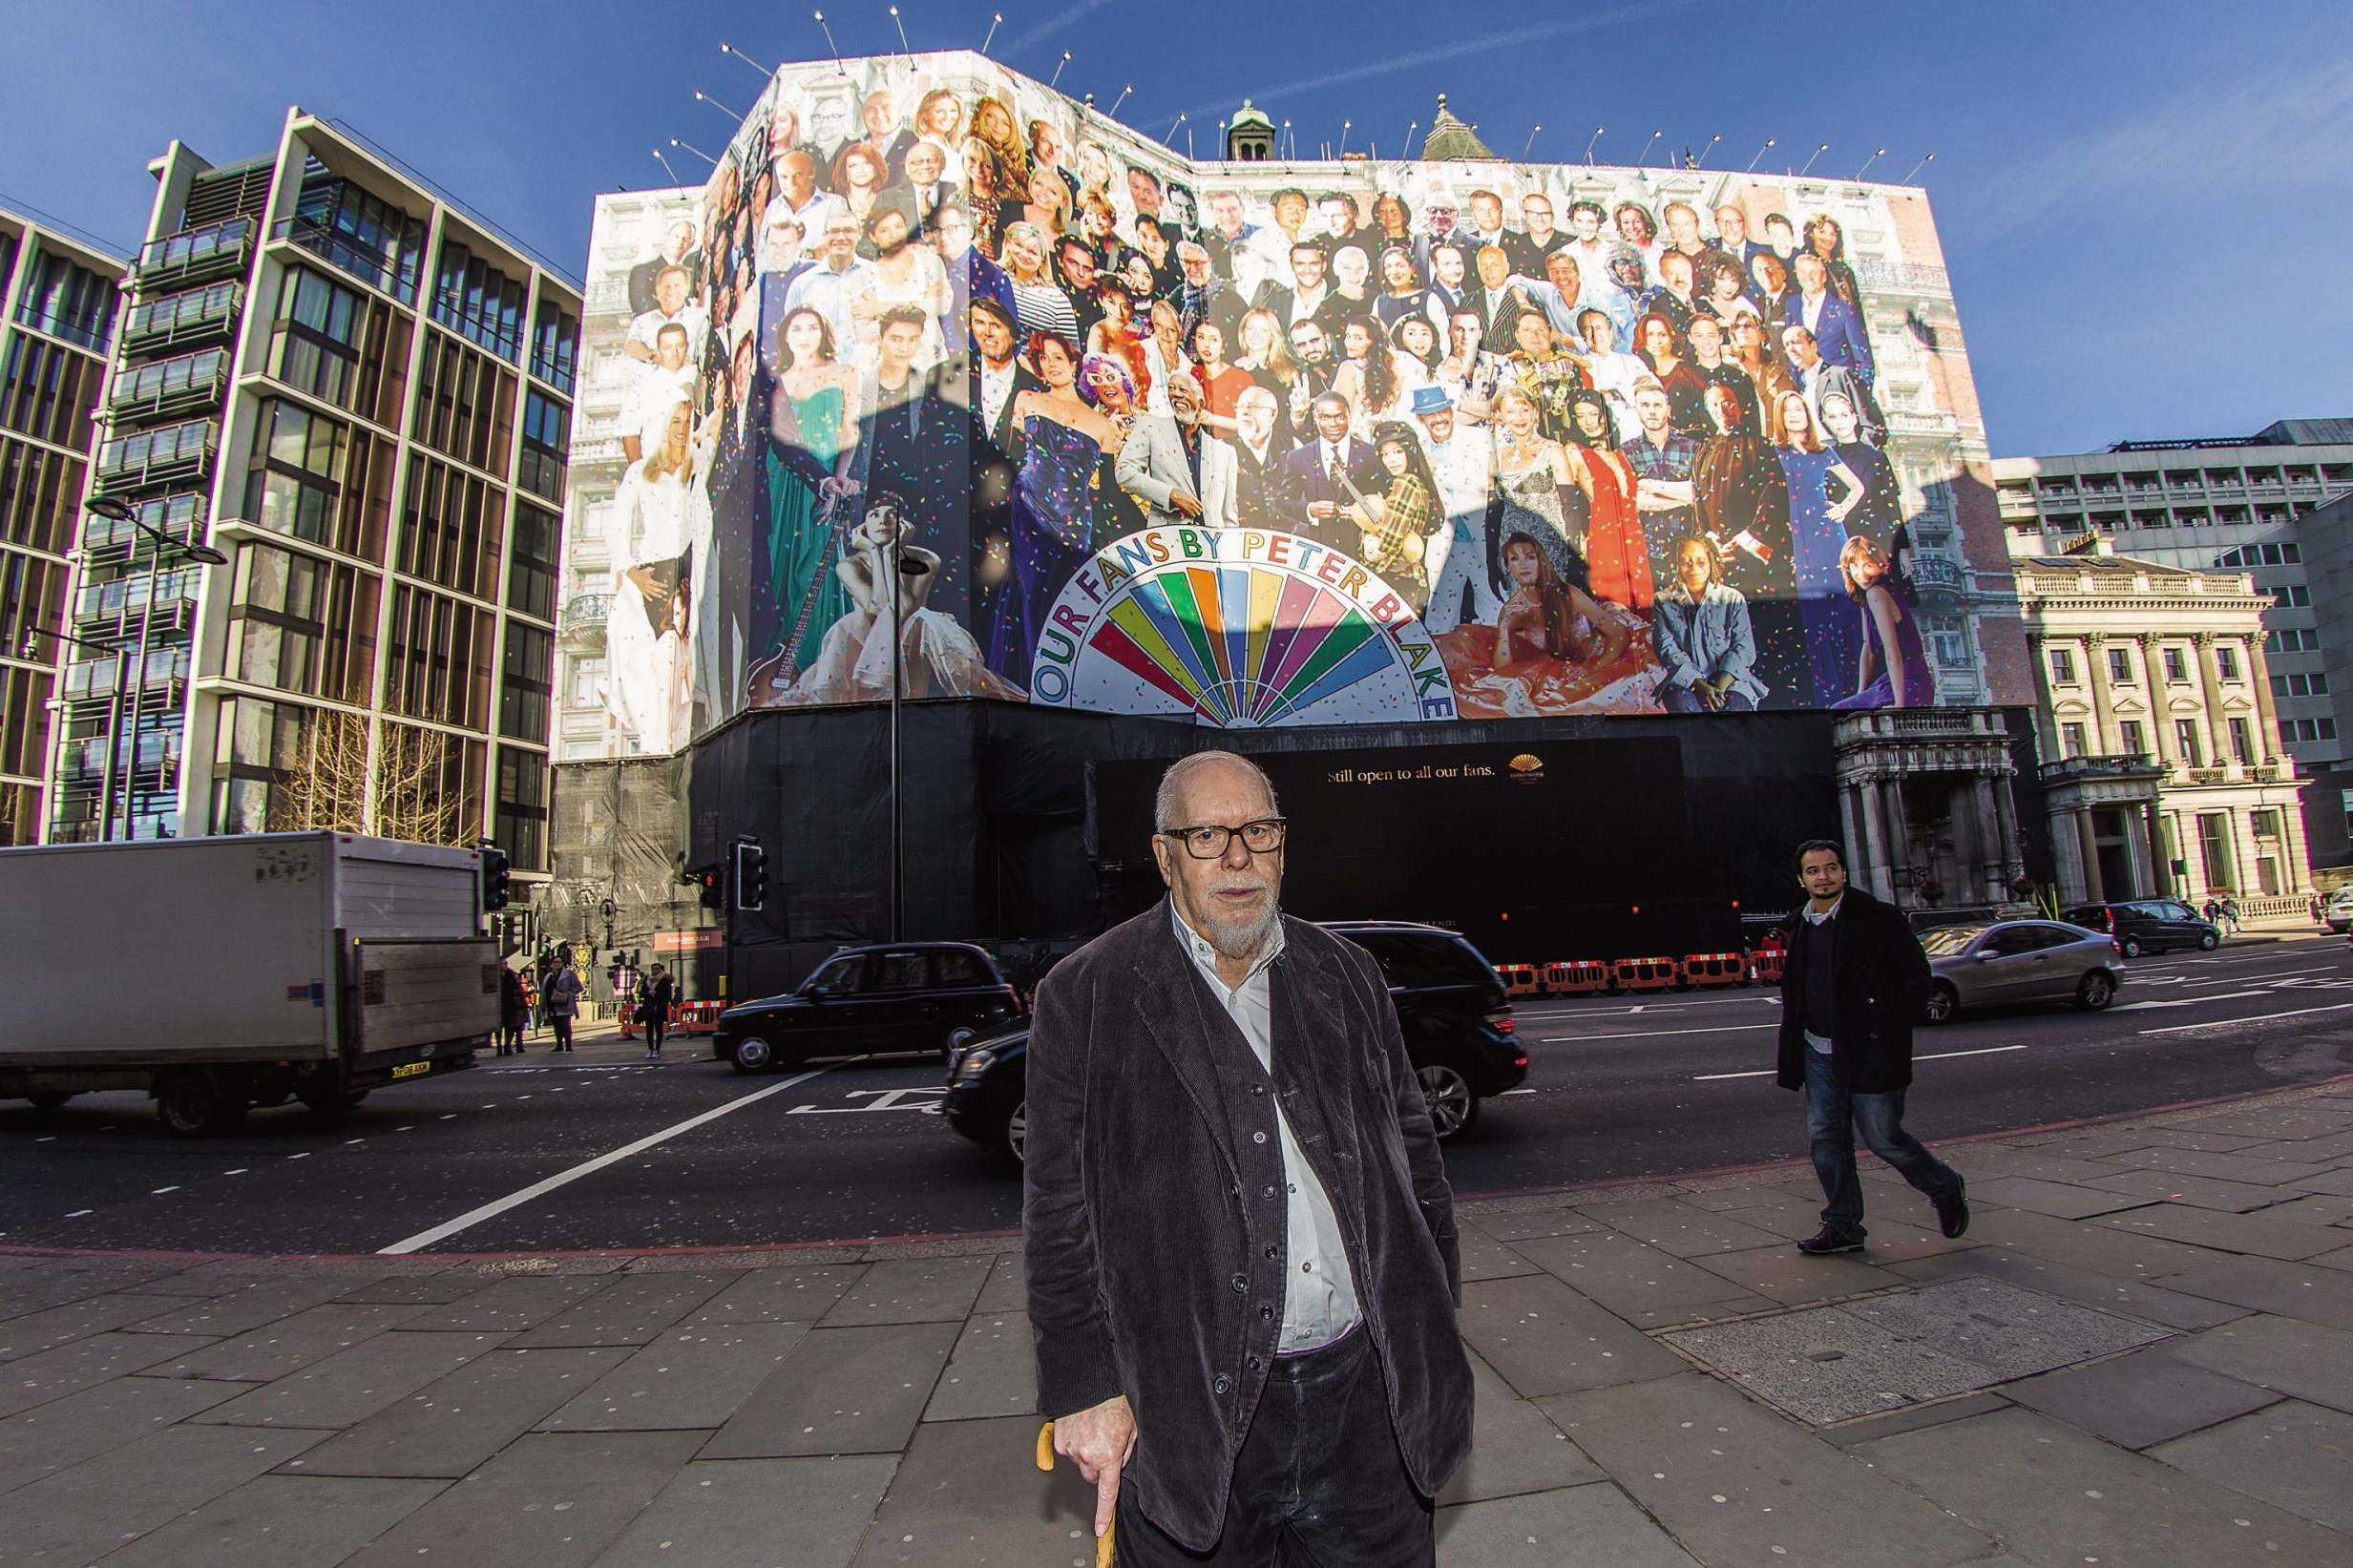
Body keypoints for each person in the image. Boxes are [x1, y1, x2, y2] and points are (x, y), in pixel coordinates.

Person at [1027, 750, 1472, 1566]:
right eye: (1206, 834)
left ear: (1282, 843)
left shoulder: (1349, 975)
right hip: (1189, 1418)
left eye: (1257, 830)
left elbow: (1417, 1165)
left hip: (1365, 1406)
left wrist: (1429, 1309)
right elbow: (1059, 1218)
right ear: (1165, 856)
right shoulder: (1085, 995)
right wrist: (1086, 1386)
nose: (1237, 856)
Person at [1777, 840, 1967, 1254]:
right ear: (1801, 879)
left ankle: (1944, 1185)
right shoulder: (1800, 925)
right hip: (1817, 1051)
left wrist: (1888, 1029)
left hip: (1868, 1049)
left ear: (1843, 872)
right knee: (1826, 1140)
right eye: (1813, 871)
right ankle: (1843, 1225)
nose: (1822, 877)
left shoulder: (1877, 918)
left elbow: (1916, 978)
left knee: (1884, 1138)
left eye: (1830, 868)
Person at [986, 332, 1117, 687]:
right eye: (1045, 358)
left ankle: (1065, 682)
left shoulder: (1103, 425)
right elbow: (1007, 456)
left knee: (1065, 599)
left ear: (1074, 364)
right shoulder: (1027, 399)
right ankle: (1031, 681)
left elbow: (1105, 492)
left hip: (1076, 520)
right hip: (1028, 508)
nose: (1052, 364)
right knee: (1029, 590)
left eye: (1059, 357)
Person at [749, 307, 862, 706]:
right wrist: (818, 479)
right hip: (786, 484)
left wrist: (838, 480)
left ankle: (821, 673)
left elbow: (850, 431)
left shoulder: (845, 373)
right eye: (796, 327)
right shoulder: (777, 380)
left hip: (828, 481)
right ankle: (782, 673)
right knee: (783, 572)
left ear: (824, 331)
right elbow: (779, 439)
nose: (804, 333)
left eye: (812, 326)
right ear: (786, 335)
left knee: (817, 567)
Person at [1775, 390, 1868, 707]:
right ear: (1780, 416)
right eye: (1787, 410)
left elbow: (1858, 486)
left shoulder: (1823, 452)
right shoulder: (1776, 452)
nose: (1794, 414)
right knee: (1814, 617)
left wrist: (1842, 509)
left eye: (1799, 408)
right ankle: (1827, 697)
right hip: (1798, 538)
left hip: (1830, 535)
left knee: (1846, 608)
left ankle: (1857, 687)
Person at [1412, 386, 1502, 635]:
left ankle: (1499, 665)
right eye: (1430, 414)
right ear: (1421, 419)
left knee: (1494, 604)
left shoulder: (1478, 438)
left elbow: (1480, 485)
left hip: (1482, 536)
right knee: (1440, 614)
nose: (1439, 418)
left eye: (1442, 411)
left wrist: (1438, 470)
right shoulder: (1418, 448)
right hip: (1444, 540)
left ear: (1451, 411)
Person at [1338, 420, 1444, 611]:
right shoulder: (1408, 482)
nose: (1391, 460)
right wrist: (1369, 539)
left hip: (1396, 580)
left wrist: (1368, 561)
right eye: (1385, 454)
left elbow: (1390, 538)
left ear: (1410, 451)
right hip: (1407, 580)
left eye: (1397, 452)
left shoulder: (1407, 483)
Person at [1654, 534, 1764, 711]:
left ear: (1711, 562)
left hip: (1730, 680)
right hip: (1686, 682)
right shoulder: (1662, 601)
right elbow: (1667, 650)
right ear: (1675, 565)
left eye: (1701, 561)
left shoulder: (1732, 598)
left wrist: (1718, 689)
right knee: (1682, 703)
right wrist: (1701, 686)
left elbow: (1743, 648)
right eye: (1686, 562)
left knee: (1734, 710)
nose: (1694, 568)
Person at [1118, 370, 1238, 528]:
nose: (1175, 394)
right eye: (1171, 388)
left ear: (1200, 404)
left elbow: (1229, 517)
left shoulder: (1225, 452)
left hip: (1213, 545)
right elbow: (1124, 471)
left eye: (1183, 390)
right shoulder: (1150, 427)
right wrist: (1170, 495)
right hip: (1167, 543)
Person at [1830, 536, 1932, 710]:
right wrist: (1860, 695)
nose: (1860, 573)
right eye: (1854, 566)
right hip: (1896, 681)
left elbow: (1893, 652)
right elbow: (1868, 648)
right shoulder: (1867, 597)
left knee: (1836, 713)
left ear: (1880, 564)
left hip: (1909, 682)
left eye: (1867, 565)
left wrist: (1899, 705)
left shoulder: (1877, 593)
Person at [1279, 392, 1385, 549]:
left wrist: (1363, 514)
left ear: (1350, 416)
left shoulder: (1370, 453)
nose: (1333, 424)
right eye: (1325, 418)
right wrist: (1310, 510)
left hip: (1362, 547)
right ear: (1315, 418)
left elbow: (1386, 498)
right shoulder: (1299, 457)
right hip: (1321, 549)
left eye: (1340, 417)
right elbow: (1283, 501)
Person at [543, 945, 583, 1054]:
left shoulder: (569, 974)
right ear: (552, 964)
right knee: (556, 1026)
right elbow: (544, 990)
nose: (557, 964)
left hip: (565, 1004)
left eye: (559, 962)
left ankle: (568, 1045)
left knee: (565, 1025)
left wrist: (569, 994)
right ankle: (559, 1044)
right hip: (553, 1004)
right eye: (555, 962)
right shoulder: (549, 976)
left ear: (562, 963)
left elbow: (579, 987)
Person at [638, 963, 677, 1060]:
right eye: (653, 969)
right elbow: (641, 993)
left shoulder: (665, 980)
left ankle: (657, 1049)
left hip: (659, 1007)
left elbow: (668, 996)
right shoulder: (647, 979)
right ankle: (650, 1049)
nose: (655, 971)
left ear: (660, 970)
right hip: (649, 1007)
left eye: (657, 969)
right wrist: (647, 993)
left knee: (659, 1029)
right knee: (649, 1030)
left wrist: (657, 994)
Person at [496, 964, 527, 1056]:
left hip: (510, 1006)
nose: (503, 966)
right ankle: (499, 1047)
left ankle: (507, 1046)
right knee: (499, 1029)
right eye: (502, 964)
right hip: (498, 1006)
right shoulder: (495, 974)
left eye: (505, 964)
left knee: (509, 1028)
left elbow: (518, 989)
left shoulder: (511, 975)